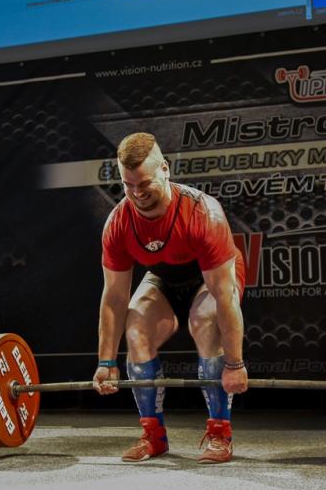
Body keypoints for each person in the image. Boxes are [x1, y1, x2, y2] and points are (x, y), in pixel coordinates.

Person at [93, 132, 248, 463]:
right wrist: (106, 363)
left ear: (165, 169)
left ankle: (220, 433)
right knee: (136, 328)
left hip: (212, 278)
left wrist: (234, 364)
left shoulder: (203, 213)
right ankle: (153, 435)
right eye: (128, 185)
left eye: (144, 183)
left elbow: (225, 298)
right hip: (164, 277)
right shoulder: (118, 223)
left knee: (205, 320)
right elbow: (114, 298)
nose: (137, 193)